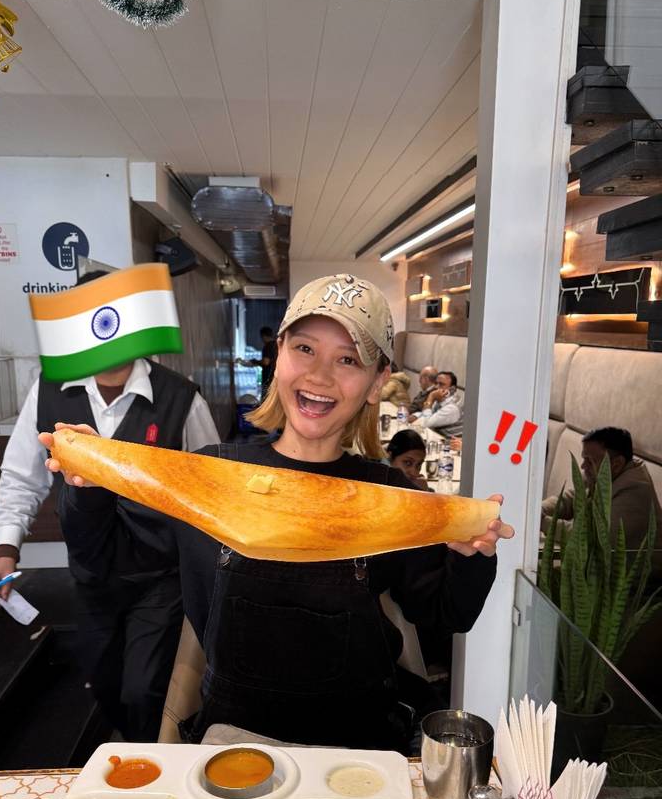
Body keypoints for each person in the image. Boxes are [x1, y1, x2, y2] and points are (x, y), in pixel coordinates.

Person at [44, 274, 513, 753]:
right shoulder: (210, 474)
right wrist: (90, 489)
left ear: (376, 383)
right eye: (304, 349)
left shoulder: (388, 490)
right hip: (235, 740)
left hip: (360, 742)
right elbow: (106, 556)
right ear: (279, 355)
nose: (320, 375)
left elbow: (446, 613)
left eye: (347, 359)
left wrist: (469, 556)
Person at [0, 269, 221, 742]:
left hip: (159, 577)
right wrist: (5, 550)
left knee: (143, 691)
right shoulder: (50, 391)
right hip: (90, 576)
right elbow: (20, 476)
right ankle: (138, 749)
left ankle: (151, 772)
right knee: (105, 685)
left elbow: (207, 489)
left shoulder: (180, 398)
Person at [542, 426, 662, 579]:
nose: (583, 466)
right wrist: (539, 510)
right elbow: (570, 499)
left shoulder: (635, 493)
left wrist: (542, 523)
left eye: (589, 460)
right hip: (597, 573)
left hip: (630, 591)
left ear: (616, 464)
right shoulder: (603, 473)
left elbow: (592, 538)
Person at [410, 370, 463, 439]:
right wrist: (415, 415)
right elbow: (429, 414)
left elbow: (426, 424)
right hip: (436, 438)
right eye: (436, 383)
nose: (436, 387)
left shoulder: (452, 408)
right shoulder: (441, 399)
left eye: (441, 384)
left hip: (449, 445)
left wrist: (431, 397)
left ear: (452, 389)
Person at [237, 326, 278, 396]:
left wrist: (255, 361)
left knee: (266, 400)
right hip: (276, 379)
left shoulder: (268, 346)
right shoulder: (276, 345)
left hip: (268, 379)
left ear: (264, 336)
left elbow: (266, 362)